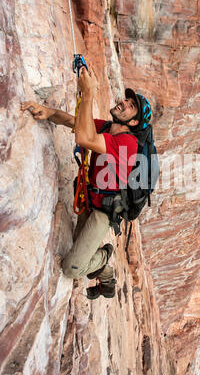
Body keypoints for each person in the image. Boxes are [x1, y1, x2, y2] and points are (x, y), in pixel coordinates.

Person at [21, 68, 152, 299]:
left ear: (133, 122)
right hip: (90, 197)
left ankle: (105, 258)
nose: (122, 102)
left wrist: (88, 92)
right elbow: (75, 122)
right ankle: (105, 276)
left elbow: (84, 138)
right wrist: (48, 112)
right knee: (77, 249)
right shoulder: (107, 127)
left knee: (72, 267)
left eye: (130, 105)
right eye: (126, 99)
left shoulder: (128, 144)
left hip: (104, 212)